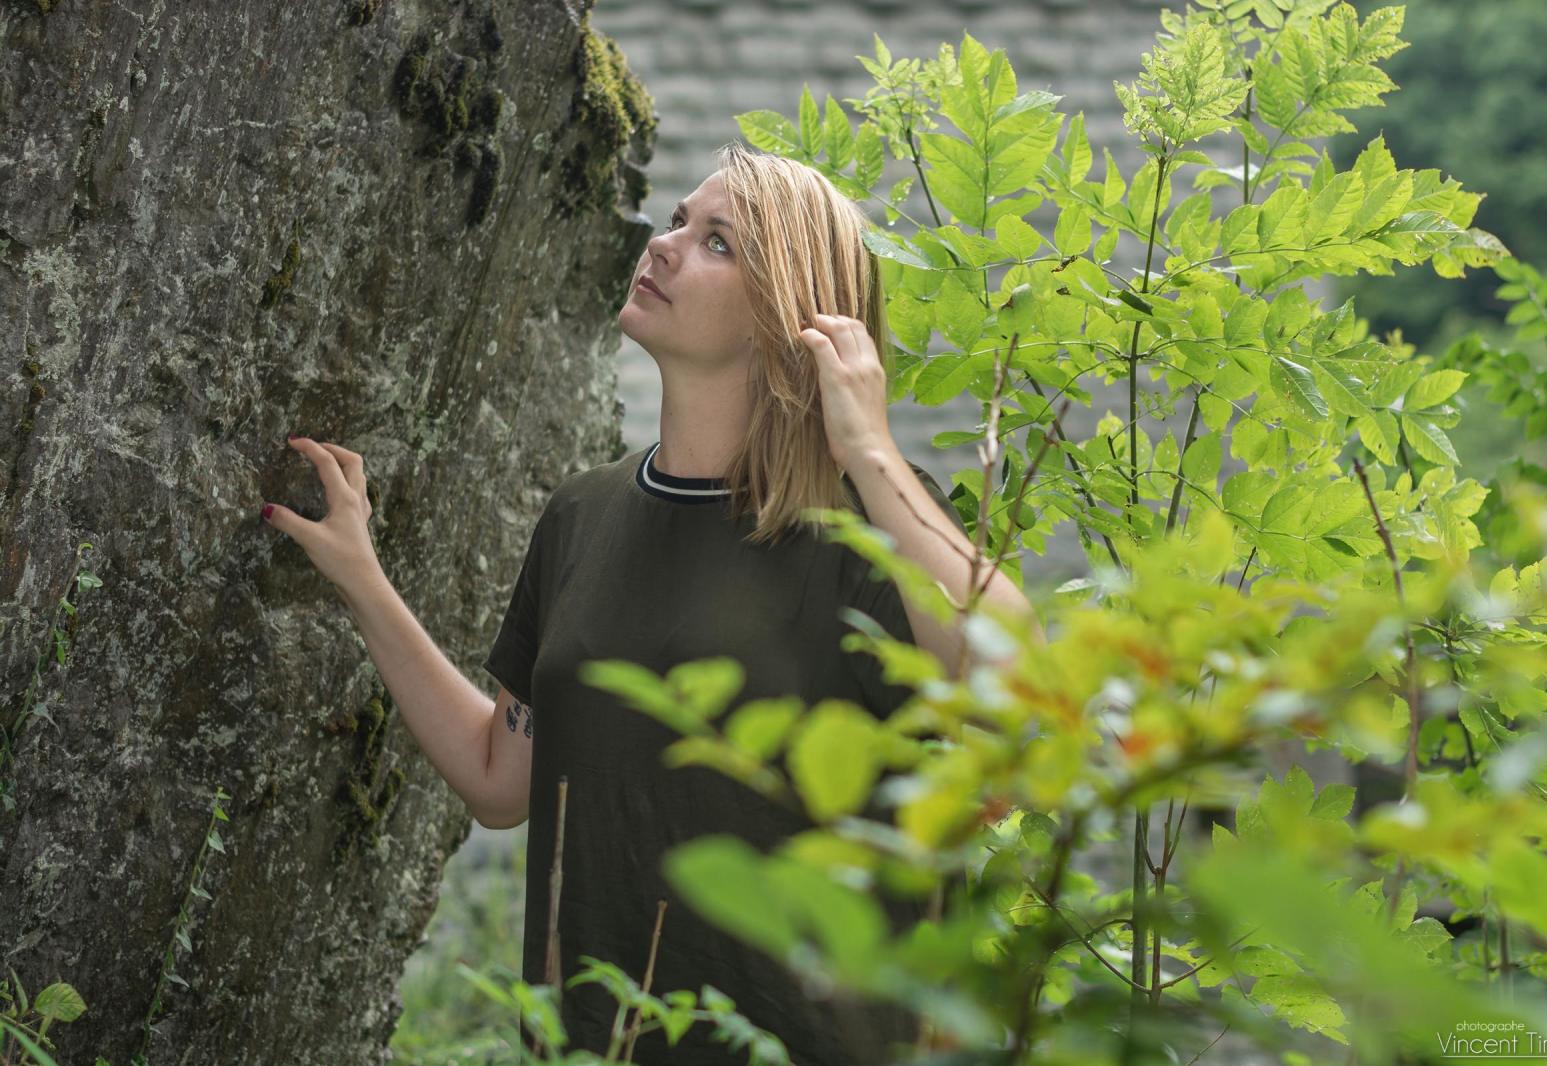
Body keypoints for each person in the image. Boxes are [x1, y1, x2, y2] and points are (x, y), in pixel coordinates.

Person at [262, 140, 1037, 1064]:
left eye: (717, 242)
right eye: (676, 221)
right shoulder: (581, 516)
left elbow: (1019, 682)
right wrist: (362, 578)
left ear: (789, 316)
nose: (664, 245)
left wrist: (867, 448)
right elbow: (500, 779)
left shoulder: (864, 527)